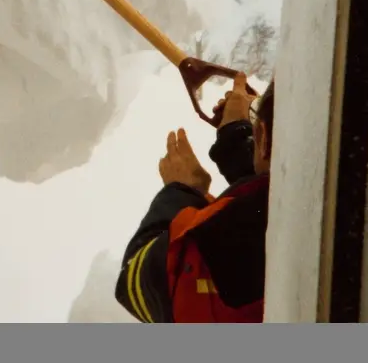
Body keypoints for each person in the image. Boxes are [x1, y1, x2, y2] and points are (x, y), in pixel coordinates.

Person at [114, 73, 274, 323]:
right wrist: (237, 137)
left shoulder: (233, 239)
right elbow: (275, 191)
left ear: (263, 137)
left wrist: (182, 191)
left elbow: (136, 283)